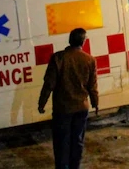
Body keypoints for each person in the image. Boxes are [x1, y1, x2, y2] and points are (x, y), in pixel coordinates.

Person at [38, 28, 99, 169]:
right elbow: (92, 86)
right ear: (83, 42)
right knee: (77, 141)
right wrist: (95, 103)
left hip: (62, 108)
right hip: (81, 107)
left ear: (69, 40)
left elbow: (49, 84)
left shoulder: (58, 58)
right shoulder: (90, 60)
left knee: (62, 142)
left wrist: (41, 103)